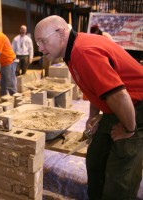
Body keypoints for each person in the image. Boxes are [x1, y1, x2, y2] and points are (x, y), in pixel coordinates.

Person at [34, 15, 143, 199]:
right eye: (38, 44)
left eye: (43, 41)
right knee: (95, 159)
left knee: (119, 177)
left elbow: (119, 95)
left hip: (136, 107)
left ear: (61, 33)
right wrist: (94, 116)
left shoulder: (83, 51)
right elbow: (95, 87)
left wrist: (129, 131)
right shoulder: (71, 51)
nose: (40, 49)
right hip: (119, 105)